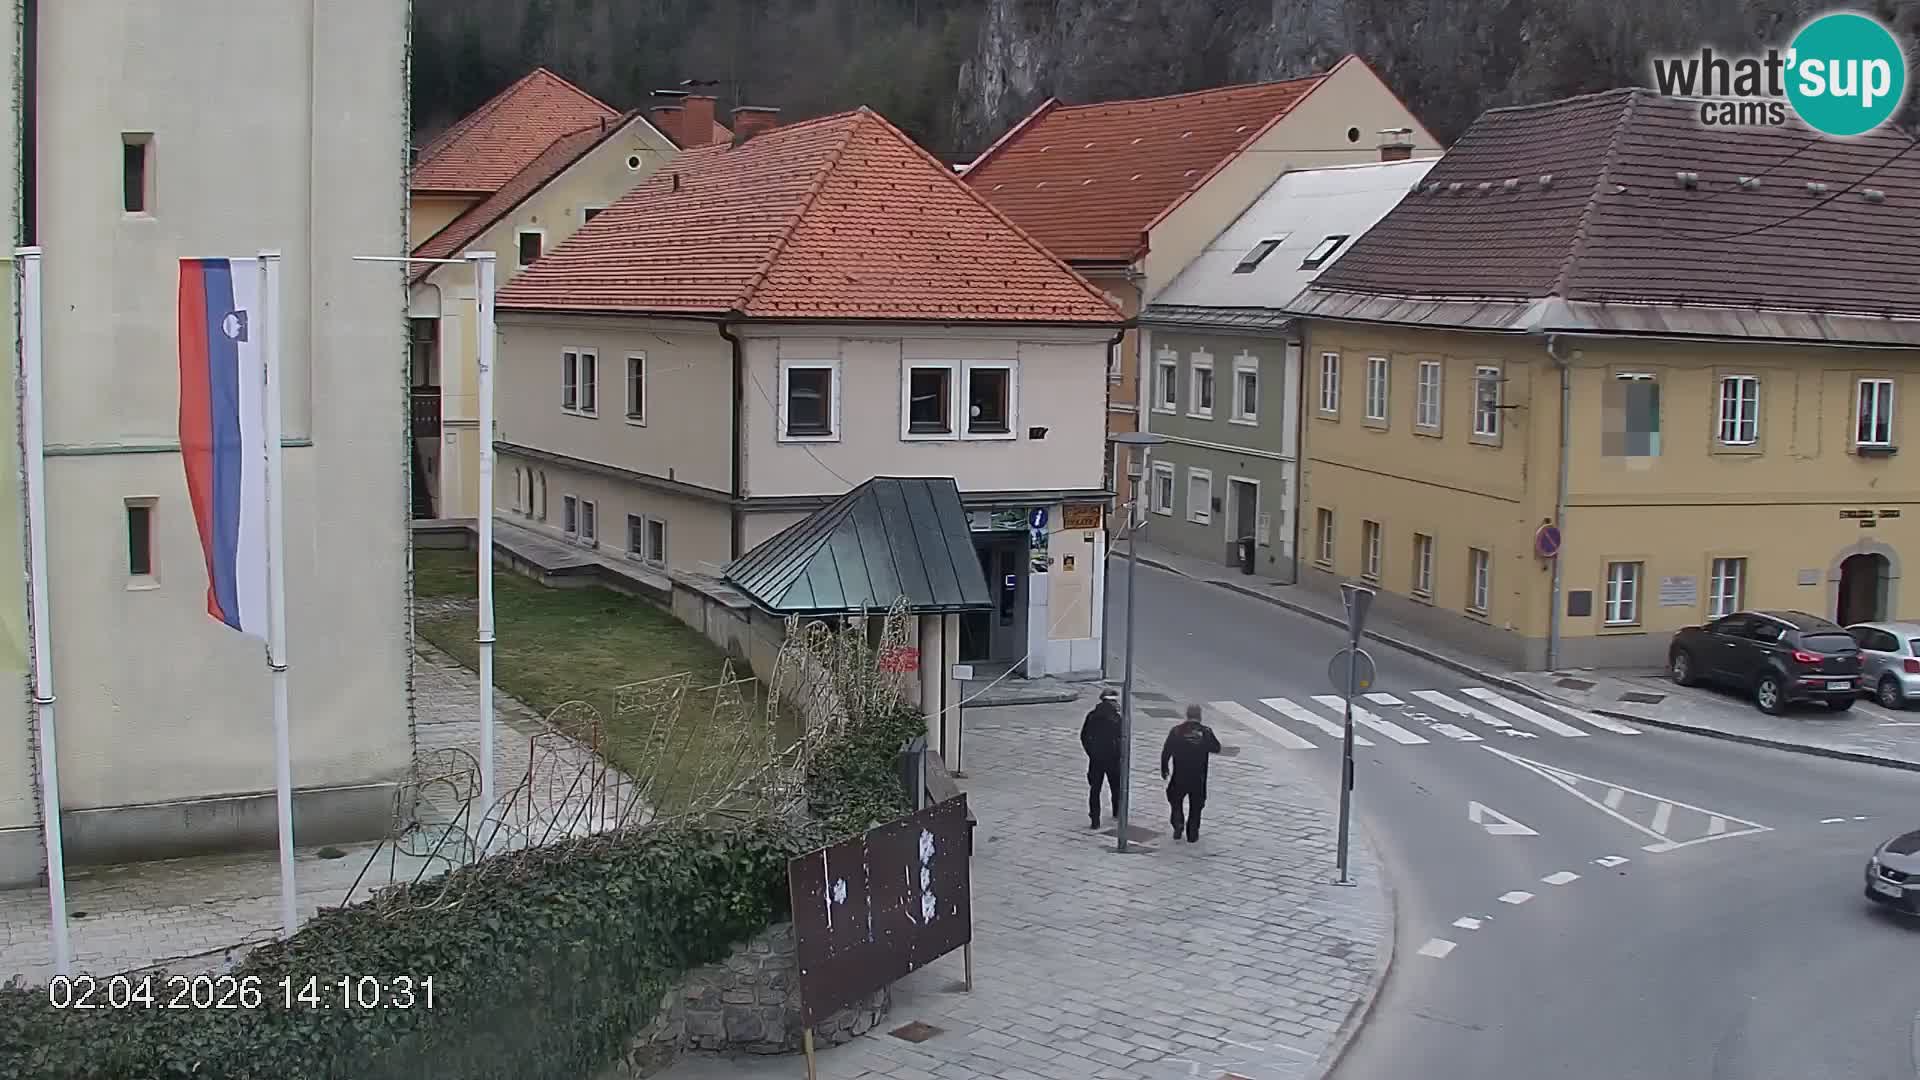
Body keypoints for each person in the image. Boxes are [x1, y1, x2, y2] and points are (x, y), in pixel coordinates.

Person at [1160, 703, 1222, 843]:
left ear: (1187, 715)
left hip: (1180, 775)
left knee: (1175, 799)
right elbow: (1216, 748)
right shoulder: (1205, 732)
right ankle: (1192, 833)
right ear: (1199, 716)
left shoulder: (1177, 731)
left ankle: (1178, 822)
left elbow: (1166, 751)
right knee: (1196, 805)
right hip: (1198, 776)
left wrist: (1164, 767)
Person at [1080, 689, 1123, 829]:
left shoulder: (1092, 715)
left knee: (1095, 789)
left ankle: (1095, 820)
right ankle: (1117, 812)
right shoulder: (1117, 718)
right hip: (1113, 759)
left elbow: (1084, 736)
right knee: (1116, 786)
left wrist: (1091, 752)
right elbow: (1122, 738)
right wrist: (1119, 753)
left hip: (1096, 759)